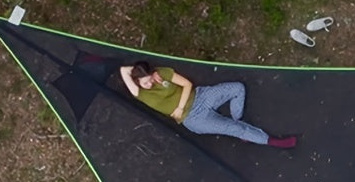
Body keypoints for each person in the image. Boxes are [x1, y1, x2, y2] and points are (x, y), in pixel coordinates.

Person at [119, 62, 296, 148]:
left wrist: (154, 73)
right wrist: (181, 109)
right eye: (145, 83)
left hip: (200, 96)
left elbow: (187, 84)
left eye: (149, 80)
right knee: (232, 128)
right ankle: (272, 141)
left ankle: (239, 119)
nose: (149, 84)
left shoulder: (162, 74)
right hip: (193, 118)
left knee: (237, 88)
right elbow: (123, 70)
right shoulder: (140, 93)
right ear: (138, 83)